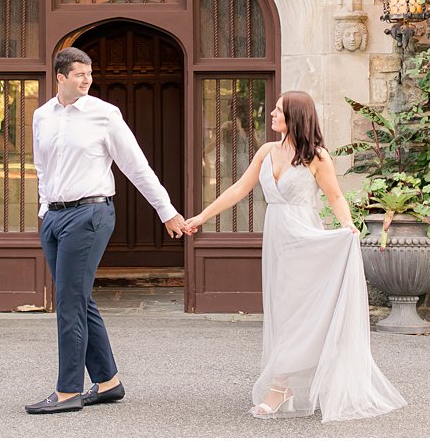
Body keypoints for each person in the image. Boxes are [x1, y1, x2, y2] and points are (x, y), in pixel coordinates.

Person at [186, 90, 407, 422]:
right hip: (277, 239)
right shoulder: (266, 151)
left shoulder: (317, 157)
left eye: (278, 110)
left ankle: (280, 386)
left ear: (295, 118)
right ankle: (288, 381)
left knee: (296, 311)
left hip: (304, 237)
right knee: (282, 309)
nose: (272, 114)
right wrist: (201, 219)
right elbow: (237, 189)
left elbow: (334, 196)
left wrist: (348, 226)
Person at [25, 47, 192, 414]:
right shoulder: (42, 116)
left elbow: (137, 167)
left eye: (89, 74)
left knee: (68, 301)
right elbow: (43, 167)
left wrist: (167, 211)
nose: (87, 79)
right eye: (80, 74)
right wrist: (44, 209)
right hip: (54, 217)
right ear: (60, 77)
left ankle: (68, 391)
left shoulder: (105, 115)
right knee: (78, 299)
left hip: (90, 214)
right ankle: (108, 382)